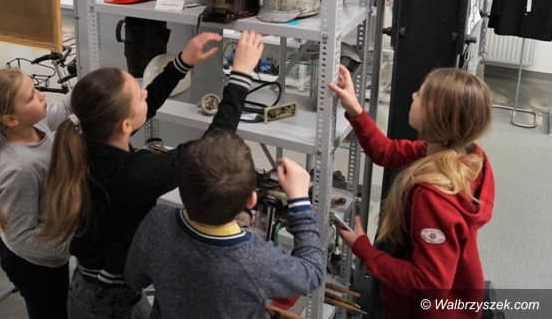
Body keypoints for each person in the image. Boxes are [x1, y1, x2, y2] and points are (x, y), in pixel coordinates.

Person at [40, 30, 265, 319]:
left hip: (94, 288)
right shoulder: (133, 174)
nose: (145, 92)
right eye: (138, 94)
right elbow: (213, 148)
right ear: (124, 125)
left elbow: (146, 104)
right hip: (108, 305)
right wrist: (240, 77)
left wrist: (182, 63)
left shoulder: (88, 140)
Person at [328, 65, 495, 318]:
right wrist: (355, 109)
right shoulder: (464, 154)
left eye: (421, 95)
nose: (413, 95)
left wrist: (365, 250)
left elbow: (429, 283)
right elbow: (387, 152)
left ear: (436, 115)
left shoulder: (432, 196)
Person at [124, 132, 323, 319]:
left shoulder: (157, 221)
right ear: (252, 200)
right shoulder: (257, 260)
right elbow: (312, 272)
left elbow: (134, 278)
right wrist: (300, 202)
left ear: (181, 191)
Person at [0, 68, 73, 319]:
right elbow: (20, 236)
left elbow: (62, 109)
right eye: (31, 97)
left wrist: (88, 89)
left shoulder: (35, 125)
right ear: (11, 119)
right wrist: (71, 245)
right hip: (34, 263)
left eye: (35, 89)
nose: (41, 96)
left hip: (50, 254)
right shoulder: (20, 169)